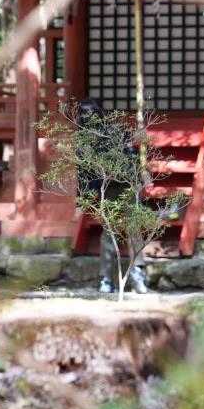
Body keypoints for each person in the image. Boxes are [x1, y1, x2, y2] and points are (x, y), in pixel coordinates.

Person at [76, 98, 150, 294]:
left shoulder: (114, 131)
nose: (88, 117)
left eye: (91, 114)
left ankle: (137, 273)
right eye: (85, 114)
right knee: (110, 232)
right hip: (106, 188)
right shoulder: (83, 141)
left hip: (127, 184)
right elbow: (85, 173)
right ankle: (106, 278)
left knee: (133, 228)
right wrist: (83, 197)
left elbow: (131, 154)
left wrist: (137, 144)